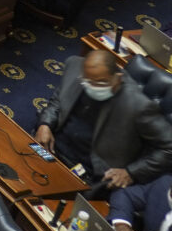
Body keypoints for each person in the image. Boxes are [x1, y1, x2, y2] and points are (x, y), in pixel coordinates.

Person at [35, 49, 172, 191]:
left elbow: (169, 148)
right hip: (51, 147)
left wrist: (131, 172)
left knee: (43, 197)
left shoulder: (138, 106)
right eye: (88, 82)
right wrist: (45, 124)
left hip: (87, 172)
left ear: (118, 78)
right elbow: (59, 99)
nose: (93, 87)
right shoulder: (75, 67)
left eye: (101, 83)